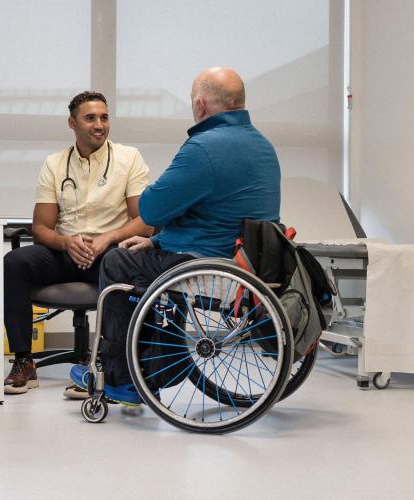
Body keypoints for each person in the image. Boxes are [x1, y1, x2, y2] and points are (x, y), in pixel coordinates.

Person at [68, 67, 281, 405]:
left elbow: (151, 210)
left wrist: (154, 221)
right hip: (244, 263)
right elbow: (214, 213)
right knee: (142, 255)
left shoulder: (205, 147)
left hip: (203, 263)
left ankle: (123, 378)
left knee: (117, 262)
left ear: (200, 104)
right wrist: (154, 241)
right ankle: (152, 366)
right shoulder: (262, 146)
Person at [3, 91, 152, 396]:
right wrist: (66, 242)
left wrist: (106, 239)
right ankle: (23, 361)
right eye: (90, 118)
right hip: (66, 252)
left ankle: (101, 365)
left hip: (108, 252)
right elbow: (41, 228)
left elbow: (145, 222)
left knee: (119, 263)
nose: (99, 124)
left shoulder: (128, 158)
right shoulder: (54, 164)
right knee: (14, 263)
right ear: (72, 123)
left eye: (104, 117)